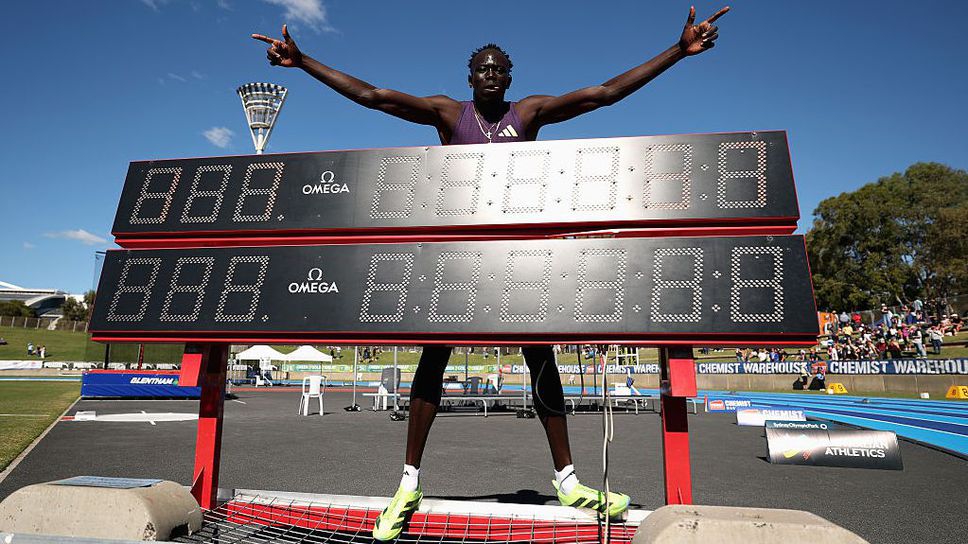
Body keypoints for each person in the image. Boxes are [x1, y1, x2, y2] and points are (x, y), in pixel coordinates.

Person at [253, 7, 728, 539]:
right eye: (483, 68)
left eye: (500, 69)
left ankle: (568, 480)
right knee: (433, 359)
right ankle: (408, 483)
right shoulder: (448, 114)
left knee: (541, 359)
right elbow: (374, 96)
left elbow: (603, 94)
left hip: (517, 262)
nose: (492, 75)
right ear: (470, 77)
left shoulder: (527, 114)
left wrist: (676, 51)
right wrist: (304, 62)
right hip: (458, 260)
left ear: (510, 77)